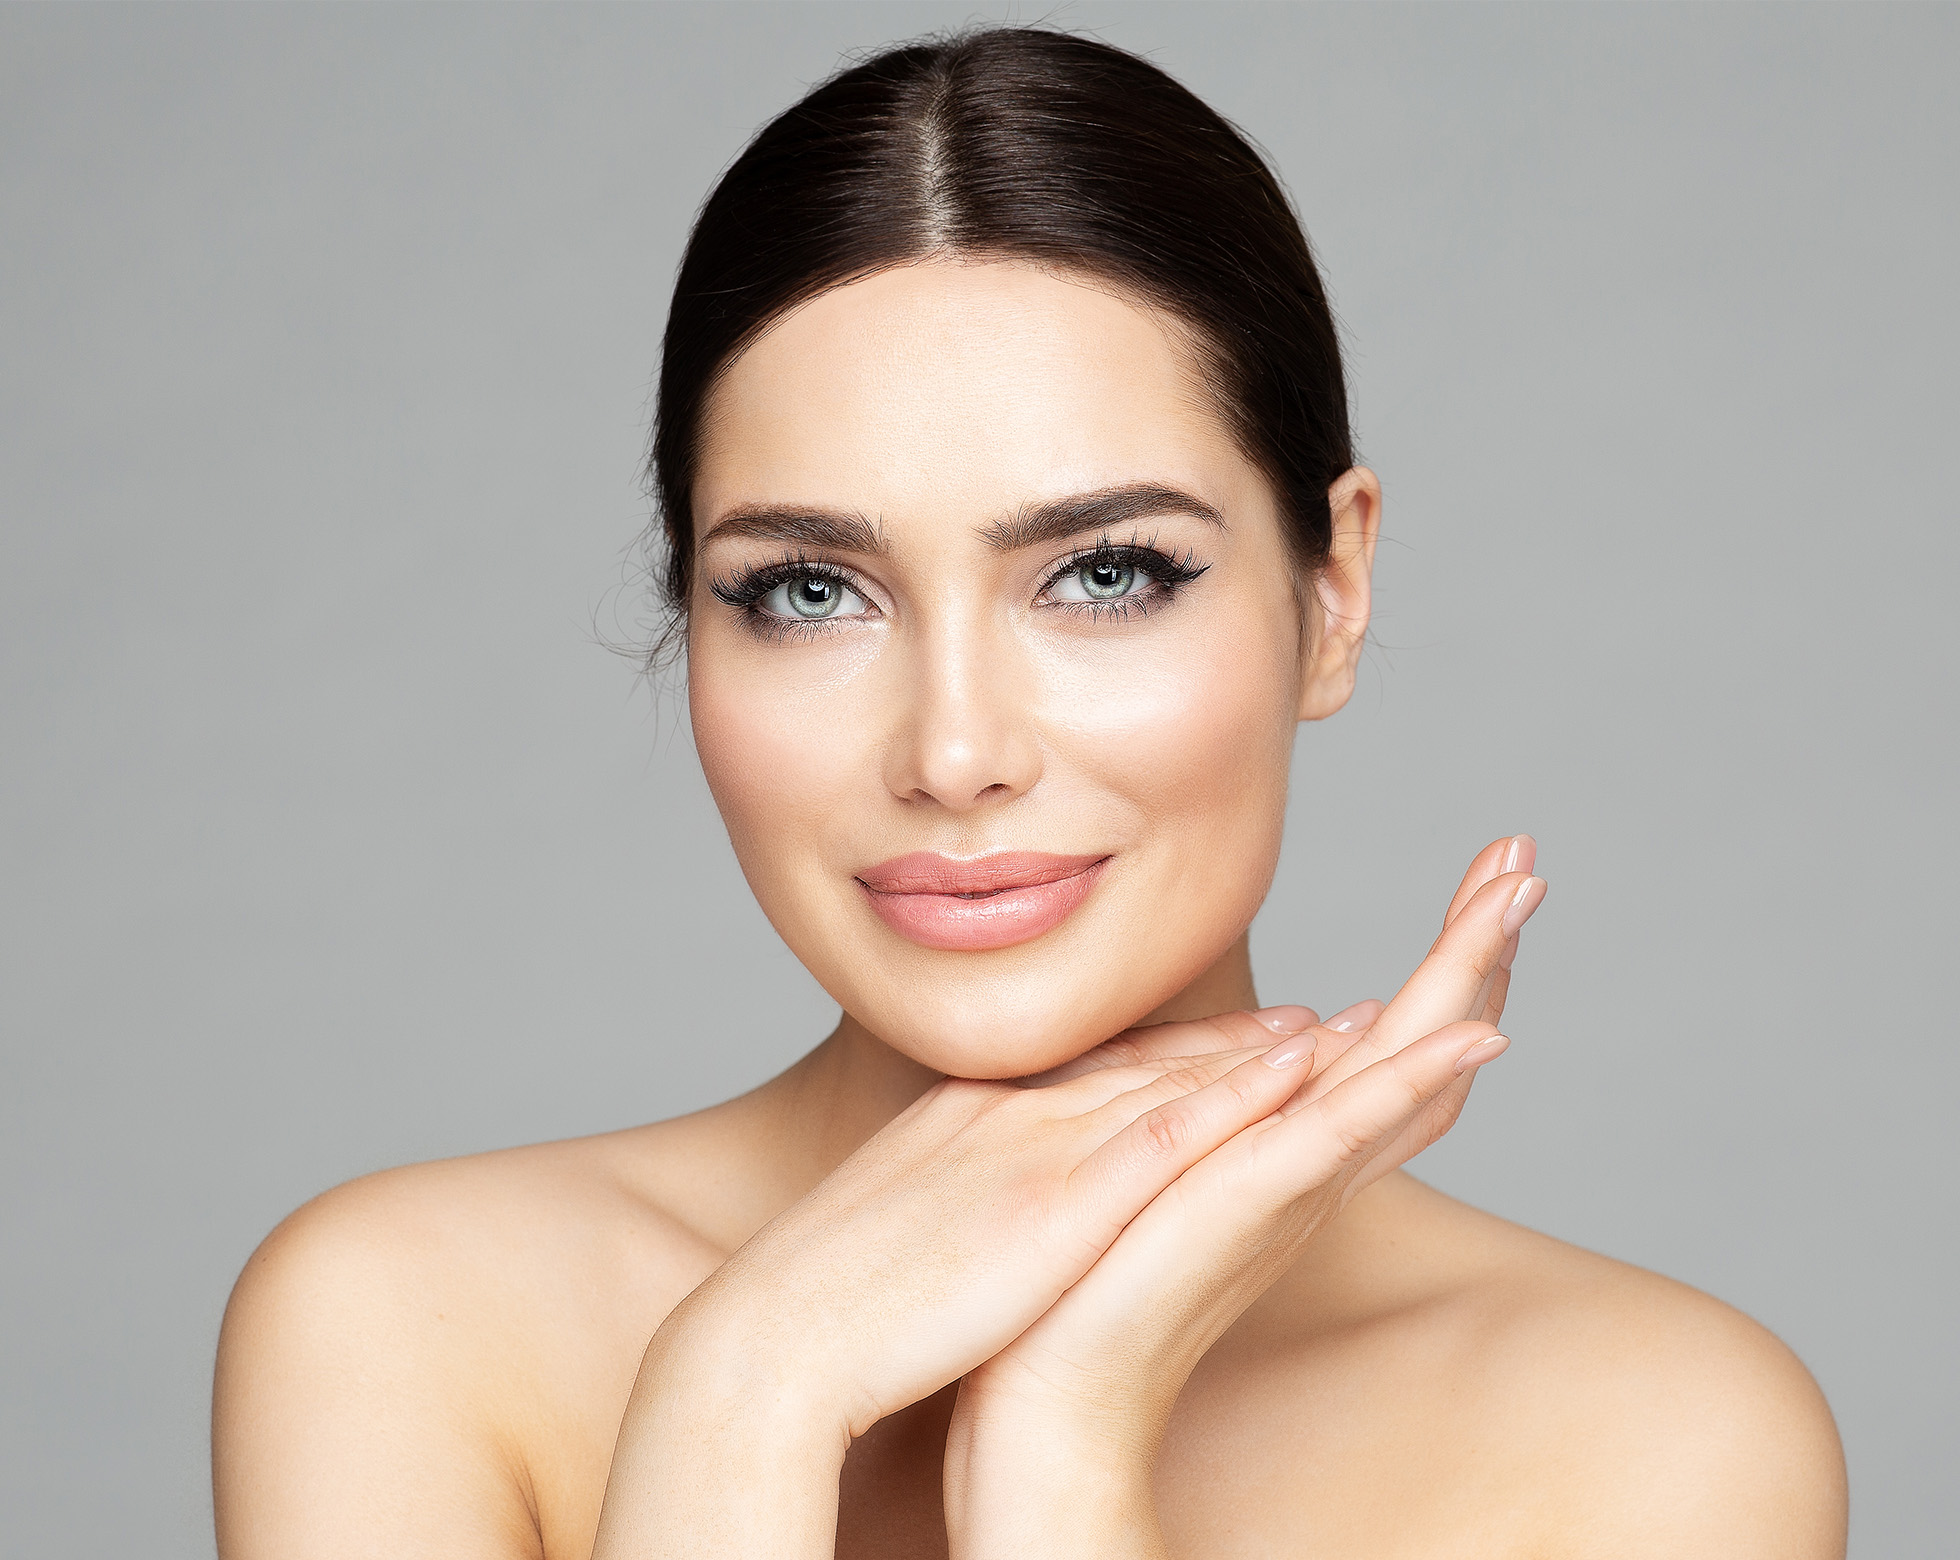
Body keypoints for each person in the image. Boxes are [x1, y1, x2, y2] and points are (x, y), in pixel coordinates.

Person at [211, 26, 1846, 1560]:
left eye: (1108, 574)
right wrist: (744, 1389)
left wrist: (1063, 1431)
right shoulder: (409, 1325)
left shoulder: (1652, 1438)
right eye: (807, 592)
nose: (952, 751)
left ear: (1331, 590)